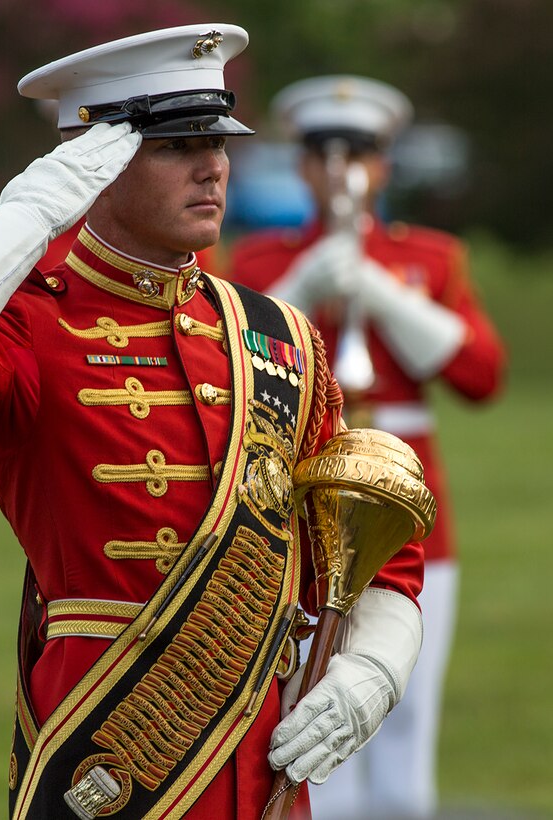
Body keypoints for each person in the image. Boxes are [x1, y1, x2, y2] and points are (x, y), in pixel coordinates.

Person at [0, 25, 426, 820]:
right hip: (111, 748)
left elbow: (372, 527)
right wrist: (34, 211)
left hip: (258, 756)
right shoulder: (33, 321)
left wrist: (378, 663)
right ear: (97, 163)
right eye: (176, 144)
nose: (213, 165)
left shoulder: (279, 335)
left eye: (218, 140)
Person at [228, 75, 506, 819]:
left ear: (386, 165)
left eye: (362, 151)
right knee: (310, 709)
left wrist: (384, 295)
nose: (343, 167)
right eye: (323, 150)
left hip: (412, 510)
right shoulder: (254, 265)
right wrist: (299, 287)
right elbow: (233, 371)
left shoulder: (433, 258)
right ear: (303, 165)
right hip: (302, 512)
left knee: (406, 714)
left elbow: (481, 375)